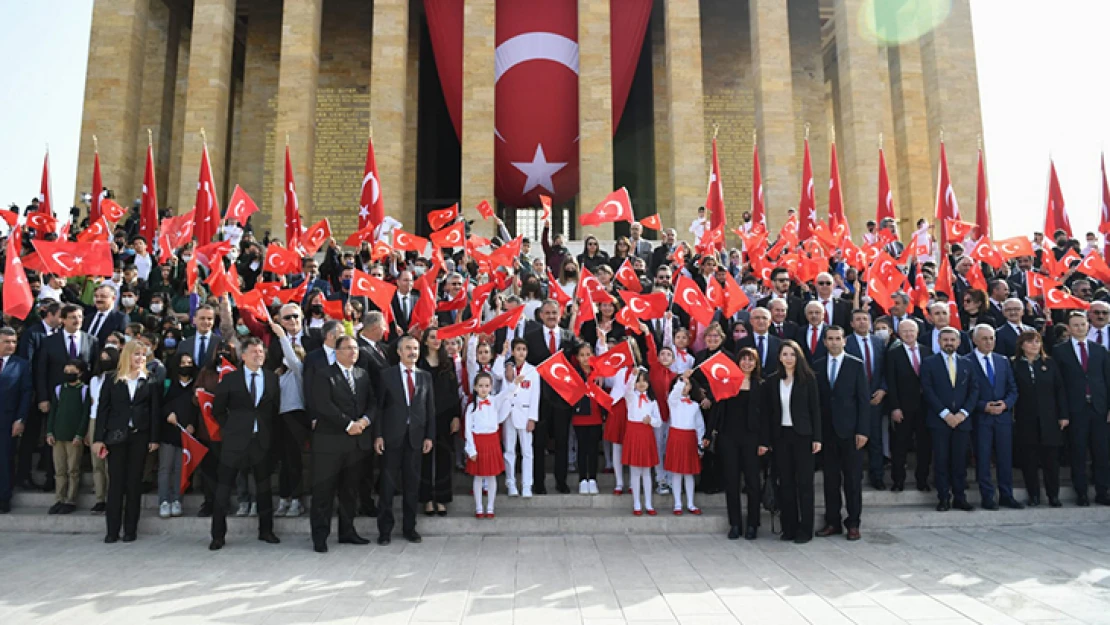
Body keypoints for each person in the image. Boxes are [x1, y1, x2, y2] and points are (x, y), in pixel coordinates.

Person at [208, 337, 281, 550]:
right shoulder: (230, 379)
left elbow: (274, 409)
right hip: (234, 442)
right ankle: (218, 535)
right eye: (254, 352)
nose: (258, 355)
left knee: (264, 487)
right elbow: (218, 410)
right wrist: (231, 428)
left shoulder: (271, 379)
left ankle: (266, 531)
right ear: (244, 355)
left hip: (261, 441)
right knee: (224, 489)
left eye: (261, 352)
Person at [309, 335, 376, 552]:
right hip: (330, 444)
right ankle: (320, 536)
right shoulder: (324, 375)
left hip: (356, 444)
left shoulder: (362, 374)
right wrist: (348, 424)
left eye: (355, 348)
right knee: (324, 493)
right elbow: (323, 405)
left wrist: (365, 421)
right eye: (348, 348)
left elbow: (372, 403)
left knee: (350, 491)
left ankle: (347, 531)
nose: (353, 352)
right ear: (337, 352)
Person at [92, 340, 161, 543]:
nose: (139, 359)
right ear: (127, 356)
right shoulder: (113, 379)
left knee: (134, 484)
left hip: (139, 436)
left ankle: (130, 530)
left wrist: (154, 438)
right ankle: (112, 530)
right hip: (116, 437)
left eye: (142, 355)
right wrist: (98, 439)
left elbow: (155, 411)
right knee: (116, 484)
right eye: (136, 354)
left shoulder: (151, 380)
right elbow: (102, 410)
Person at [373, 334, 436, 545]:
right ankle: (385, 531)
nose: (412, 352)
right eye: (408, 348)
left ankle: (410, 529)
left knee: (412, 487)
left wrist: (429, 436)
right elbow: (379, 408)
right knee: (388, 488)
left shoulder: (425, 377)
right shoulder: (386, 375)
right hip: (391, 439)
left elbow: (430, 409)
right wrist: (378, 435)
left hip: (416, 440)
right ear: (399, 352)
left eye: (416, 349)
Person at [813, 326, 870, 541]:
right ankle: (832, 522)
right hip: (827, 434)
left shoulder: (856, 365)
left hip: (851, 433)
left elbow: (863, 401)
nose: (834, 342)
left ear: (844, 341)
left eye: (838, 338)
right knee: (830, 481)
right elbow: (816, 403)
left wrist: (863, 430)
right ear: (825, 342)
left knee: (853, 481)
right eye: (830, 339)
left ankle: (853, 523)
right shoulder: (817, 366)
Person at [1051, 311, 1110, 506]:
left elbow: (1107, 380)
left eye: (1083, 324)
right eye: (1075, 325)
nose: (1080, 328)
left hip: (1099, 409)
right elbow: (1058, 385)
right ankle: (1081, 493)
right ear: (1068, 328)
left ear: (1088, 325)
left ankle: (1102, 492)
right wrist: (1063, 413)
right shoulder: (1059, 351)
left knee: (1101, 453)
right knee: (1078, 453)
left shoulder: (1100, 350)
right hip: (1075, 410)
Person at [767, 340, 821, 543]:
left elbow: (815, 410)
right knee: (785, 484)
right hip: (781, 437)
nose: (788, 358)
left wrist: (817, 438)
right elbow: (770, 412)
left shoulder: (808, 379)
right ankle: (788, 528)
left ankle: (805, 530)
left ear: (798, 357)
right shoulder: (773, 381)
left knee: (805, 484)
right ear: (779, 357)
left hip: (803, 436)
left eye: (792, 354)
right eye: (785, 354)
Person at [709, 347, 767, 540]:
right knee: (731, 483)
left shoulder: (761, 385)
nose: (747, 363)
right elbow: (717, 410)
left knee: (752, 483)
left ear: (756, 363)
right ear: (737, 362)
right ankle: (735, 524)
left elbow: (769, 416)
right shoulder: (727, 382)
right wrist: (709, 433)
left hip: (752, 439)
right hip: (729, 438)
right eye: (744, 359)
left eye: (751, 360)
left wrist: (764, 442)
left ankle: (752, 524)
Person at [921, 327, 978, 512]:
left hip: (962, 421)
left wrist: (963, 413)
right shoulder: (929, 363)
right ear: (939, 341)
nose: (949, 343)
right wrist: (945, 414)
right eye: (945, 340)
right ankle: (943, 498)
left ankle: (960, 497)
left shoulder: (967, 363)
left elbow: (974, 390)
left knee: (960, 461)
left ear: (958, 342)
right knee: (941, 461)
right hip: (939, 421)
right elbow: (928, 390)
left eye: (952, 340)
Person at [968, 324, 1022, 510]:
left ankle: (1006, 495)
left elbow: (1013, 389)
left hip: (1003, 419)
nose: (989, 342)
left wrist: (1006, 404)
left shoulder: (1003, 361)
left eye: (991, 338)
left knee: (1005, 458)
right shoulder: (966, 361)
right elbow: (965, 393)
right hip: (981, 419)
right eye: (984, 338)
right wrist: (983, 406)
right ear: (975, 340)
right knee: (983, 459)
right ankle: (987, 497)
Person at [1012, 330, 1068, 508]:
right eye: (1030, 342)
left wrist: (1063, 415)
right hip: (1025, 419)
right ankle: (1034, 495)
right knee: (1029, 461)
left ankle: (1053, 496)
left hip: (1049, 419)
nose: (1034, 345)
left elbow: (1060, 390)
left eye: (1037, 341)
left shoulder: (1049, 363)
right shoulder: (1013, 365)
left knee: (1051, 461)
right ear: (1022, 345)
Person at [524, 300, 574, 494]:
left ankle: (561, 481)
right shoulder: (530, 336)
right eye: (548, 313)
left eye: (555, 313)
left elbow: (582, 357)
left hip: (562, 399)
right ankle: (539, 483)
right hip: (539, 399)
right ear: (541, 315)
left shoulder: (569, 337)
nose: (552, 316)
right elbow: (522, 360)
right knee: (539, 442)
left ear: (560, 315)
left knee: (562, 441)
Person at [884, 319, 932, 492]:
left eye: (911, 331)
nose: (909, 334)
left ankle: (922, 480)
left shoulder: (927, 351)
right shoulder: (893, 353)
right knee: (900, 446)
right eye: (904, 331)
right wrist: (895, 407)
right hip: (903, 408)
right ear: (899, 333)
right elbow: (891, 382)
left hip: (925, 408)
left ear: (917, 332)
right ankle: (898, 481)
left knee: (924, 446)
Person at [844, 310, 888, 490]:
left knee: (876, 439)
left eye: (865, 319)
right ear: (852, 323)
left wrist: (883, 390)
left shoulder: (879, 342)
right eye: (858, 320)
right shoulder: (846, 342)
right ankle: (853, 476)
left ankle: (877, 476)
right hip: (853, 401)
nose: (862, 322)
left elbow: (886, 368)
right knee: (854, 440)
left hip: (875, 398)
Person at [418, 328, 460, 514]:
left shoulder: (448, 362)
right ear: (425, 341)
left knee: (444, 458)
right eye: (432, 337)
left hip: (444, 416)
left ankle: (442, 498)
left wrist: (456, 416)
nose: (436, 341)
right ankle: (426, 498)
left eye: (439, 338)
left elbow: (453, 392)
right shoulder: (418, 362)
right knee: (424, 458)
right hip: (423, 417)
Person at [610, 367, 662, 516]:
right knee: (635, 472)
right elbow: (627, 389)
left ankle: (648, 504)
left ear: (648, 383)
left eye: (644, 381)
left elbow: (659, 421)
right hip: (633, 434)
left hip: (646, 435)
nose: (641, 384)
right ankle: (637, 504)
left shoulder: (652, 401)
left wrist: (650, 420)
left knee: (646, 472)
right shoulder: (631, 397)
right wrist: (632, 376)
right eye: (639, 381)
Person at [491, 338, 539, 498]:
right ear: (513, 351)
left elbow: (535, 396)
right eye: (518, 349)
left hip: (525, 415)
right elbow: (495, 373)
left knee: (527, 451)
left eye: (524, 349)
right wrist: (503, 356)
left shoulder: (532, 371)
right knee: (509, 450)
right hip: (507, 414)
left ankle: (527, 485)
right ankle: (510, 483)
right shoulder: (506, 368)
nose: (521, 352)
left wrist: (532, 417)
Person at [45, 359, 90, 515]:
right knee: (60, 470)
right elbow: (53, 412)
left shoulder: (84, 390)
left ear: (80, 373)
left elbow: (85, 414)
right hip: (58, 436)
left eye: (72, 372)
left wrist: (80, 434)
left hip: (74, 437)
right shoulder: (59, 389)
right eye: (66, 372)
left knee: (73, 469)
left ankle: (71, 500)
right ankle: (59, 499)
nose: (68, 375)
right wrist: (49, 431)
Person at [464, 371, 511, 518]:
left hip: (492, 441)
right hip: (478, 442)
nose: (484, 389)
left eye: (487, 386)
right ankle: (479, 507)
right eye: (481, 386)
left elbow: (507, 393)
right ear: (475, 387)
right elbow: (467, 430)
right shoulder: (471, 407)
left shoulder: (495, 402)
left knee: (491, 476)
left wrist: (516, 383)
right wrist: (471, 449)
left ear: (491, 387)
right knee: (478, 476)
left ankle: (490, 507)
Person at [160, 352, 198, 518]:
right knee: (165, 469)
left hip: (186, 435)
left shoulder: (196, 386)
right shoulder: (168, 384)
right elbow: (159, 405)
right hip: (168, 433)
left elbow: (198, 409)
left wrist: (193, 425)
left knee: (180, 469)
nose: (186, 366)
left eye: (189, 362)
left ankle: (177, 500)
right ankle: (164, 501)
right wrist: (167, 414)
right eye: (182, 363)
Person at [0, 328, 33, 513]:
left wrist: (20, 419)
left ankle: (4, 498)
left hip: (7, 420)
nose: (11, 345)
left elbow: (26, 393)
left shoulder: (21, 365)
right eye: (6, 341)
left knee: (4, 459)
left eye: (13, 342)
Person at [665, 371, 707, 516]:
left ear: (691, 387)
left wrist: (700, 445)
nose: (683, 386)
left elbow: (700, 426)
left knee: (689, 474)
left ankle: (690, 503)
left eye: (686, 384)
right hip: (676, 438)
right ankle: (677, 503)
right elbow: (674, 394)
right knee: (676, 473)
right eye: (680, 383)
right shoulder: (673, 401)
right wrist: (682, 380)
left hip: (690, 439)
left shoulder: (695, 405)